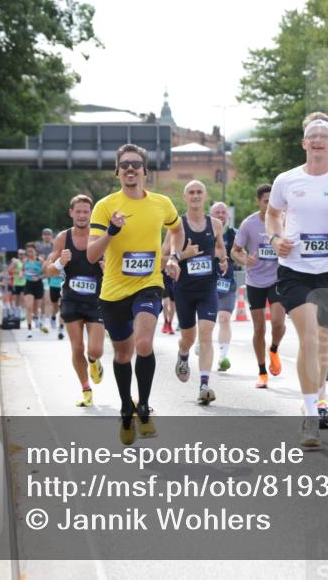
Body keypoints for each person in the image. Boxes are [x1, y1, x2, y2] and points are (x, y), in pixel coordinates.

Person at [266, 112, 328, 448]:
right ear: (304, 143)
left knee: (325, 345)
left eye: (325, 134)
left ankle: (319, 394)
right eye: (313, 134)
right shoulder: (286, 180)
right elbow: (272, 214)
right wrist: (274, 238)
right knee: (309, 338)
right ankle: (310, 414)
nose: (319, 139)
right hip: (295, 269)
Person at [88, 144, 184, 445]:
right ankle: (126, 409)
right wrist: (111, 233)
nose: (131, 169)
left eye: (136, 164)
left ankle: (143, 406)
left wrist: (173, 257)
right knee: (122, 354)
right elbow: (92, 255)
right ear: (117, 171)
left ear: (145, 171)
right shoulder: (105, 206)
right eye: (125, 164)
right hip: (114, 291)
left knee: (143, 343)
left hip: (149, 284)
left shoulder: (161, 203)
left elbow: (177, 230)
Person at [166, 181, 229, 405]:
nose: (195, 196)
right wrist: (183, 255)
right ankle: (183, 354)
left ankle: (204, 385)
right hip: (183, 290)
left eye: (199, 192)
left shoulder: (215, 224)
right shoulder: (177, 226)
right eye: (191, 192)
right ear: (185, 197)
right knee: (189, 339)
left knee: (205, 335)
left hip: (207, 289)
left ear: (205, 196)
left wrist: (223, 260)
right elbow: (163, 258)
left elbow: (220, 247)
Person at [45, 194, 106, 407]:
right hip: (71, 299)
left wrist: (107, 269)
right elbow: (48, 269)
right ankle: (86, 389)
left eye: (85, 212)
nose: (82, 215)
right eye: (78, 211)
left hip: (96, 300)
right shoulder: (63, 238)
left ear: (91, 214)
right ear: (71, 213)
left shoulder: (99, 237)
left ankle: (94, 362)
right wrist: (61, 263)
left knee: (95, 350)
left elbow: (115, 268)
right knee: (77, 347)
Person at [232, 184, 286, 388]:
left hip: (278, 278)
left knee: (278, 323)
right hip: (255, 281)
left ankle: (274, 349)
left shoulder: (284, 221)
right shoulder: (249, 224)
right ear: (258, 202)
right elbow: (235, 251)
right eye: (266, 201)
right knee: (259, 328)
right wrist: (245, 260)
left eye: (273, 201)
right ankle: (262, 372)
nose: (270, 204)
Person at [210, 201, 238, 372]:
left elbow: (242, 252)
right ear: (211, 215)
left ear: (228, 215)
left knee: (224, 319)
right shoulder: (204, 232)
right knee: (207, 321)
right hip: (206, 283)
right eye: (217, 212)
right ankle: (202, 339)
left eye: (223, 212)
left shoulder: (234, 234)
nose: (220, 215)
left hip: (227, 283)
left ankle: (223, 356)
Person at [22, 244, 48, 337]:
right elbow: (22, 270)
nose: (29, 253)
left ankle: (37, 318)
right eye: (28, 251)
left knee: (36, 309)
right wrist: (22, 274)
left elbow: (46, 273)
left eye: (31, 251)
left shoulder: (40, 261)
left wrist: (39, 277)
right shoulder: (25, 261)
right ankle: (29, 330)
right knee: (29, 307)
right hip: (28, 285)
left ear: (35, 251)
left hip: (38, 285)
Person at [37, 228, 56, 327]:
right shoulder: (38, 248)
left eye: (49, 234)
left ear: (51, 236)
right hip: (43, 276)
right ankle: (44, 317)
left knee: (53, 299)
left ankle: (52, 317)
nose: (47, 236)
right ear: (42, 236)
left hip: (53, 275)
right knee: (45, 299)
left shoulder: (55, 246)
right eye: (45, 234)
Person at [160, 268, 176, 334]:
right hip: (164, 283)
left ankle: (170, 324)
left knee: (173, 305)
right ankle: (165, 322)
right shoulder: (163, 257)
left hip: (174, 283)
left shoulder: (176, 257)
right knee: (165, 303)